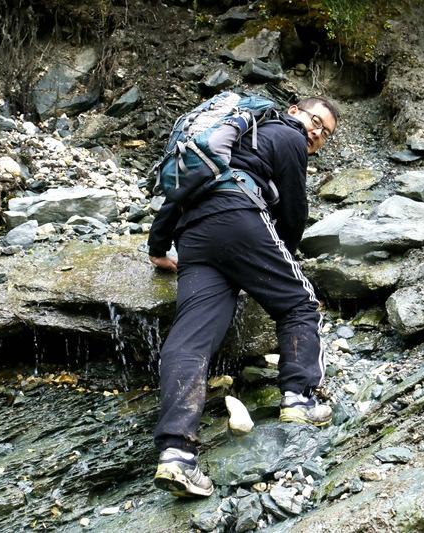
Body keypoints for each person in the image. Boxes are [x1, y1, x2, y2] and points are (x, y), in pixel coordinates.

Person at [147, 96, 339, 498]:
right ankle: (300, 398)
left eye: (325, 133)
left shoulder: (226, 144)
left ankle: (176, 454)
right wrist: (272, 261)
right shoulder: (285, 134)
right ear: (293, 112)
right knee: (300, 303)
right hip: (240, 216)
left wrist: (158, 248)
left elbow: (178, 194)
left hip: (194, 237)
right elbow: (293, 210)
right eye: (315, 121)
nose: (317, 133)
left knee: (190, 340)